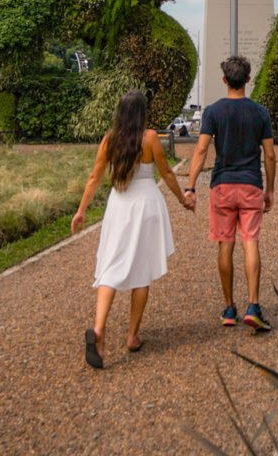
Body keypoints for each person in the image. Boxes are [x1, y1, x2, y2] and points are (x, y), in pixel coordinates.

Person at [71, 90, 194, 369]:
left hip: (118, 206)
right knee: (141, 271)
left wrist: (81, 211)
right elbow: (166, 173)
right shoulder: (150, 138)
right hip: (145, 206)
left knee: (110, 266)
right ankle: (131, 336)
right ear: (142, 112)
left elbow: (95, 177)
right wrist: (182, 200)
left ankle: (99, 330)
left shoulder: (109, 140)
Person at [185, 55, 276, 331]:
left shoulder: (213, 112)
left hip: (222, 185)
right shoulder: (260, 113)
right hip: (250, 184)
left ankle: (228, 308)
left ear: (225, 80)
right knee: (250, 242)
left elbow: (201, 150)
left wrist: (190, 187)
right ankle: (253, 305)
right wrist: (270, 189)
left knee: (226, 244)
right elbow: (270, 155)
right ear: (248, 80)